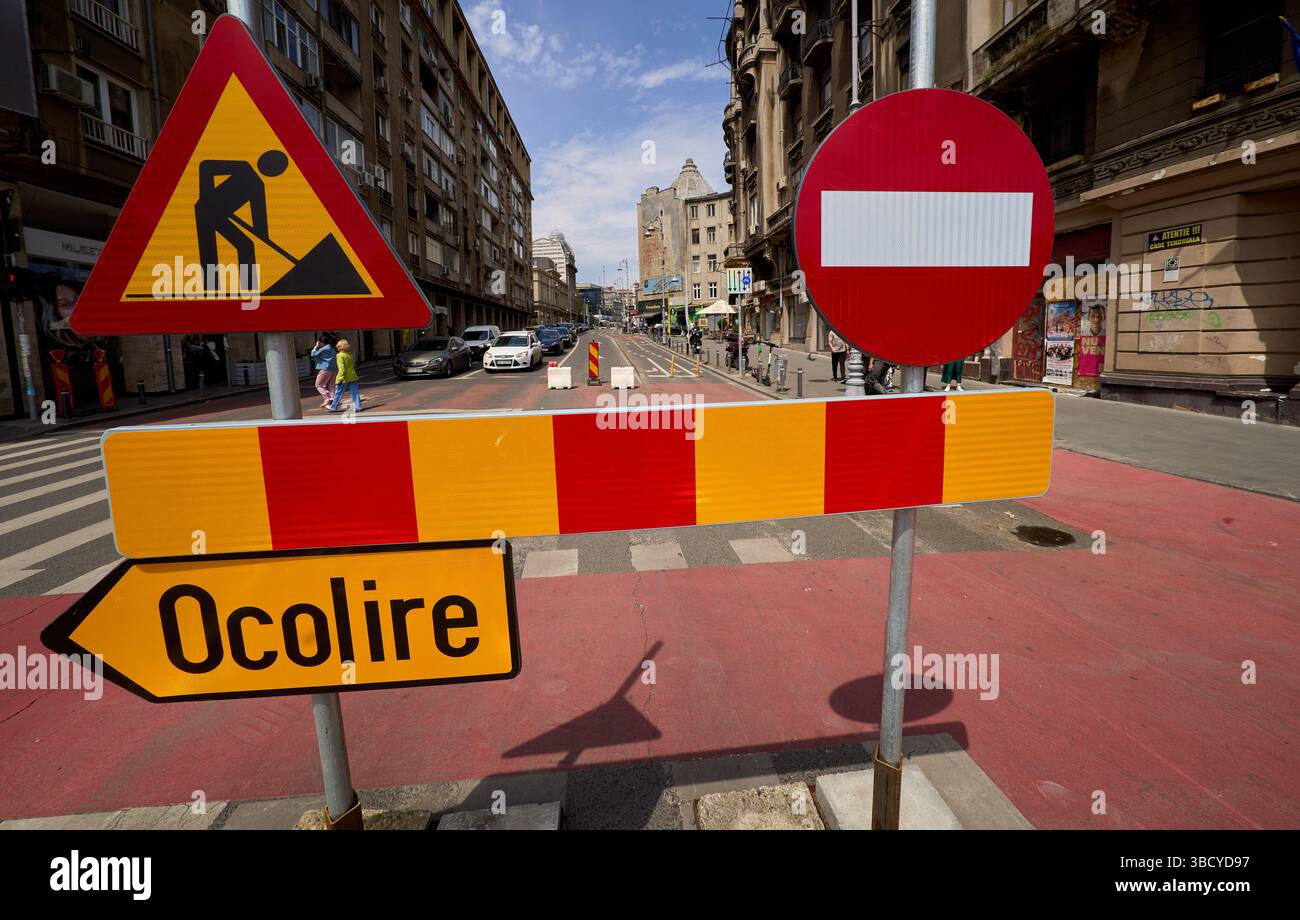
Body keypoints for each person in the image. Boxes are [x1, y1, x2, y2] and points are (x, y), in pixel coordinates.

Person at [328, 339, 362, 412]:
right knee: (355, 393)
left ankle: (333, 407)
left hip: (344, 378)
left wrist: (339, 379)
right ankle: (358, 407)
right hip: (353, 376)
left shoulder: (339, 355)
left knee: (338, 393)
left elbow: (341, 368)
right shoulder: (349, 355)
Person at [311, 335, 337, 408]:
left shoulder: (324, 349)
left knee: (319, 385)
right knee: (330, 385)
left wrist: (316, 346)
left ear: (321, 342)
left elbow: (313, 354)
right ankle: (333, 398)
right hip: (334, 369)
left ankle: (327, 397)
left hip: (325, 369)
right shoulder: (332, 348)